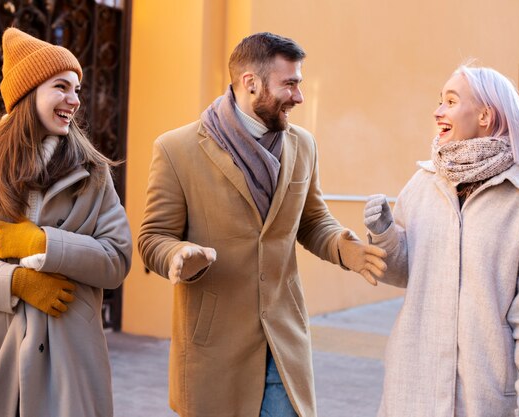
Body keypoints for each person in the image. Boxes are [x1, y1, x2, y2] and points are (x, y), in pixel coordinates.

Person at [138, 32, 387, 417]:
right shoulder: (176, 149)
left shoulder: (303, 145)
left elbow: (311, 219)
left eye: (299, 83)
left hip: (283, 342)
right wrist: (176, 254)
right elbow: (154, 236)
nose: (299, 97)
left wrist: (343, 247)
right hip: (214, 347)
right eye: (289, 84)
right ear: (250, 84)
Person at [0, 27, 132, 417]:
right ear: (27, 92)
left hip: (72, 365)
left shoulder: (94, 175)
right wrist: (14, 282)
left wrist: (43, 244)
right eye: (62, 86)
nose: (75, 99)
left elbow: (116, 260)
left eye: (77, 89)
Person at [364, 64, 519, 417]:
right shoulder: (423, 184)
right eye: (440, 101)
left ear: (484, 115)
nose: (438, 111)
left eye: (450, 101)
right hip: (414, 384)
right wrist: (385, 234)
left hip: (486, 392)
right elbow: (403, 271)